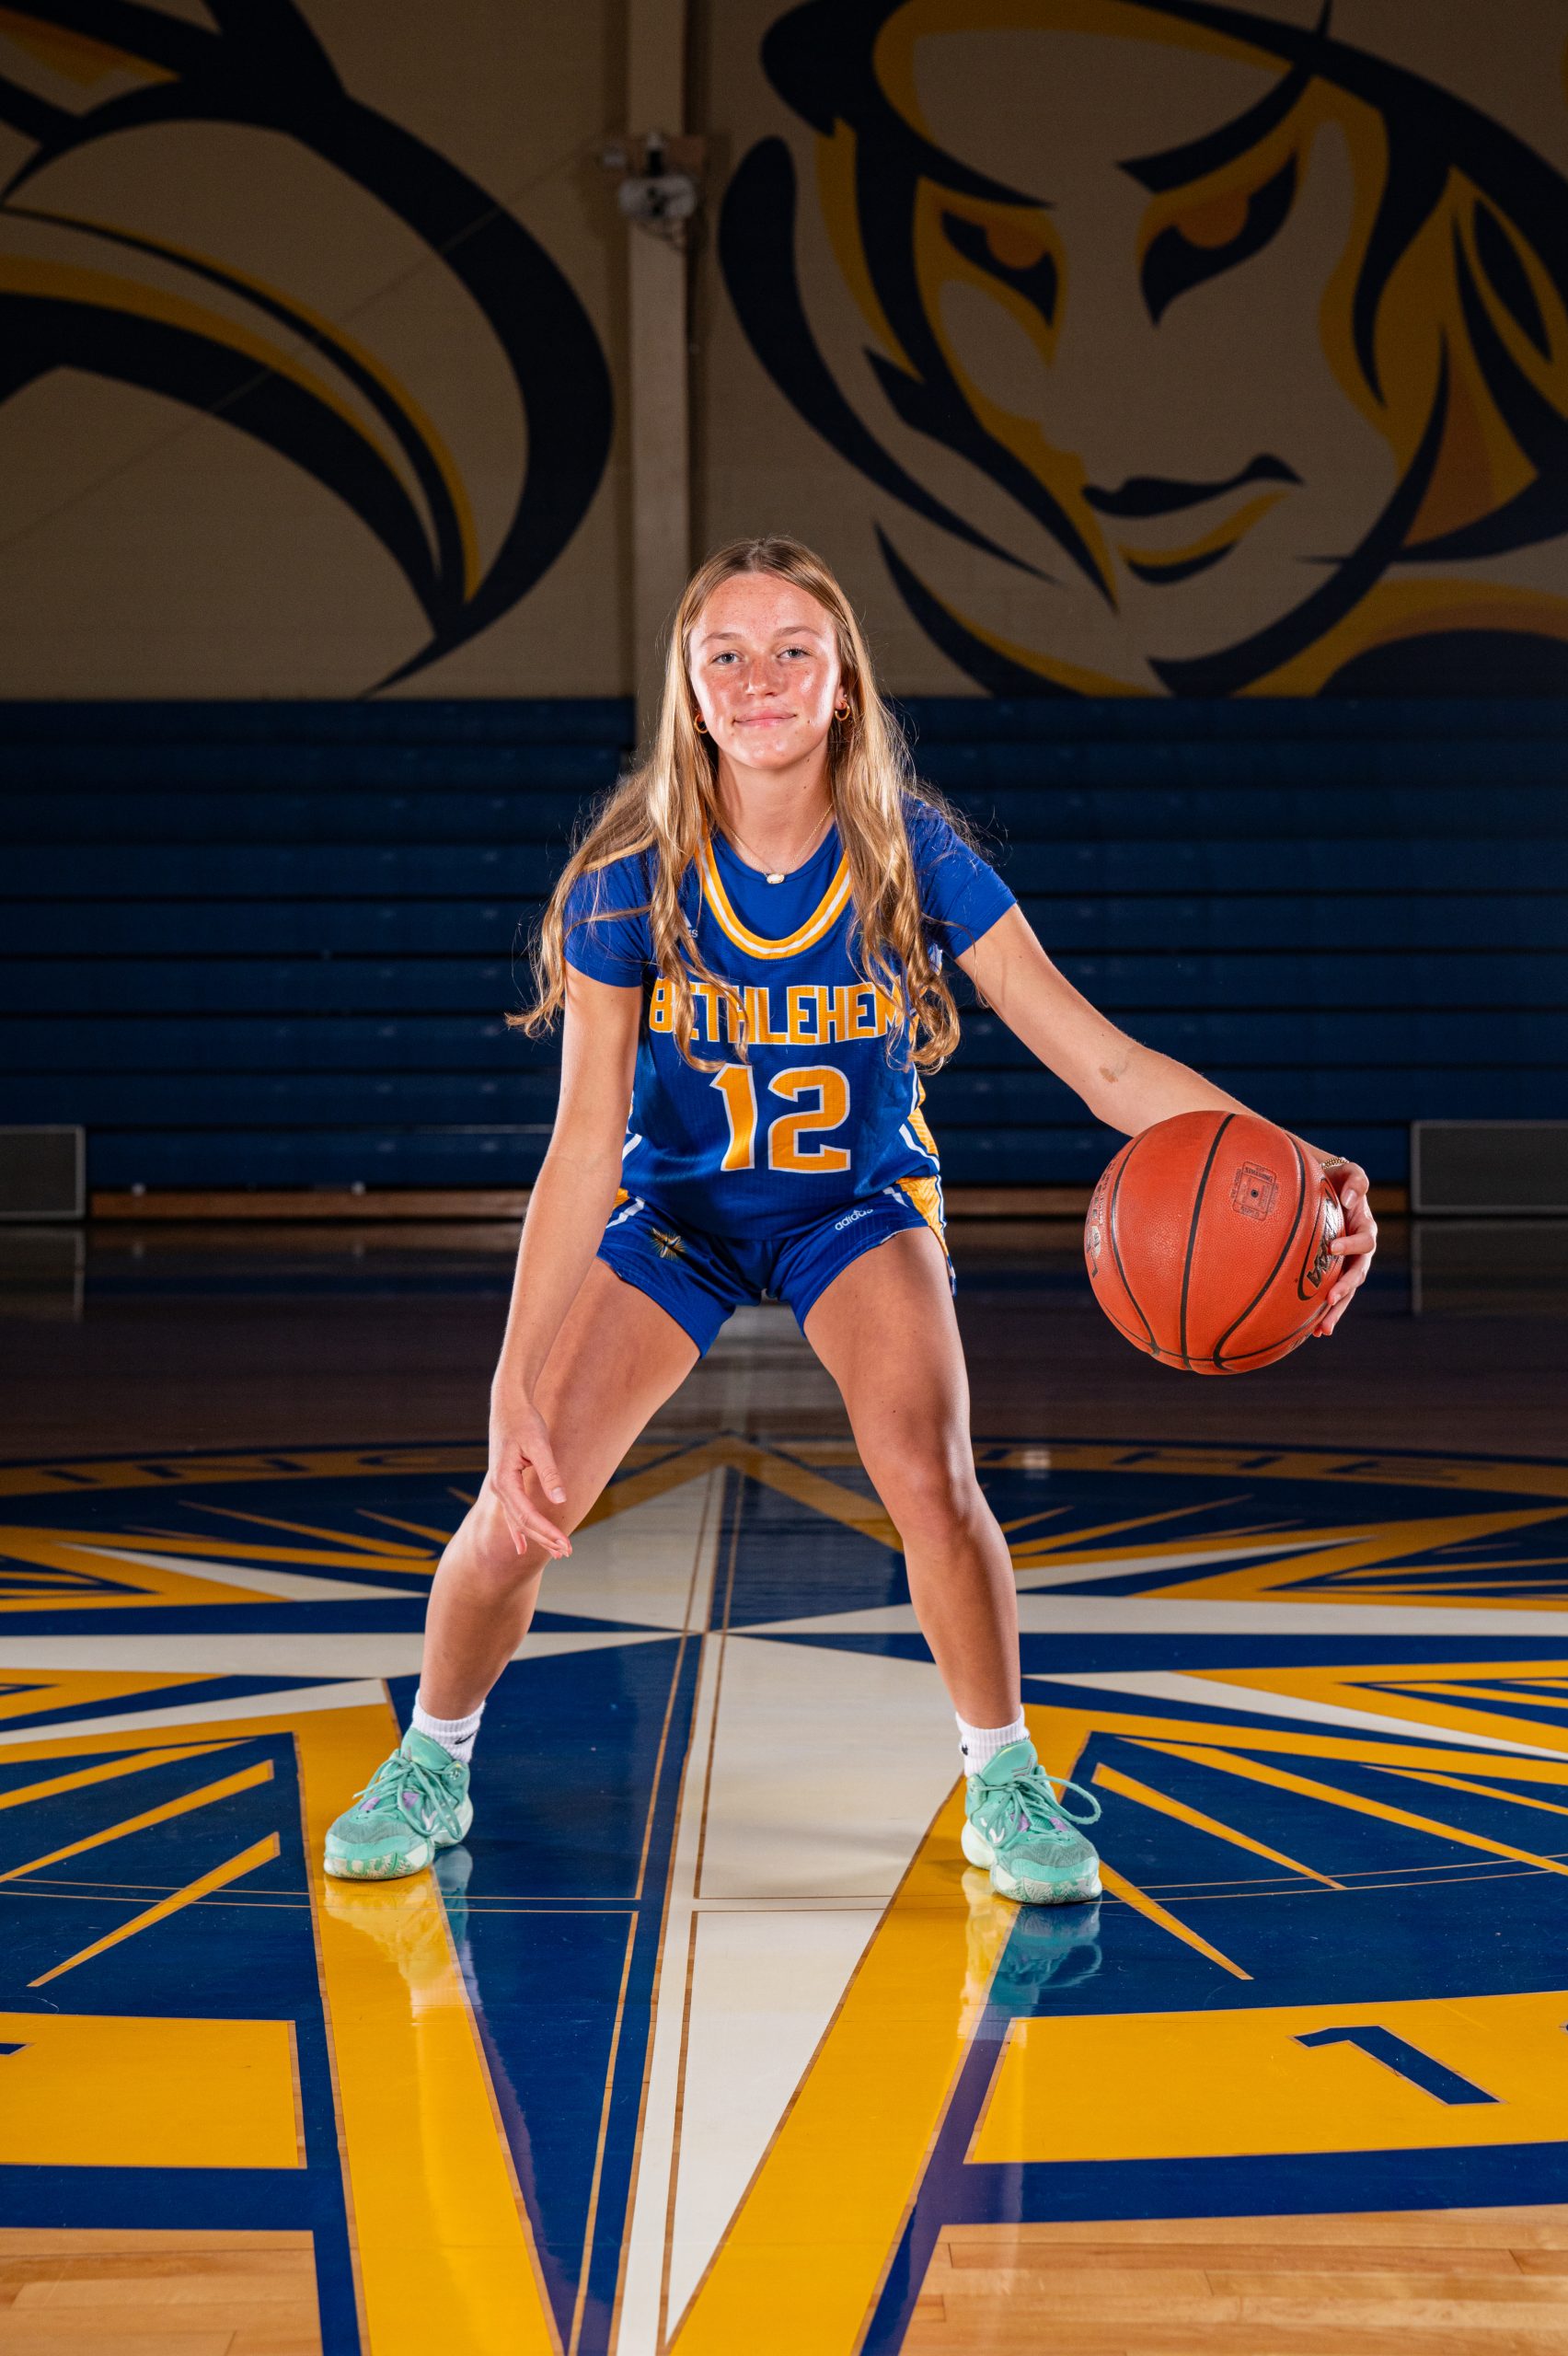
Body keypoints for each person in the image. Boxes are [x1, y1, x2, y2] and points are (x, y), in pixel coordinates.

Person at [322, 534, 1378, 1901]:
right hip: (677, 1211)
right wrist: (508, 1384)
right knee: (523, 1503)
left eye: (792, 651)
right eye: (726, 655)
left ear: (842, 685)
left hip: (854, 1207)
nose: (759, 678)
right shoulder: (628, 878)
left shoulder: (913, 855)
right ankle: (433, 1755)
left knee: (930, 1475)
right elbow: (582, 1143)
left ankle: (1003, 1775)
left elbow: (1104, 1066)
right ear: (690, 691)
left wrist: (1303, 1163)